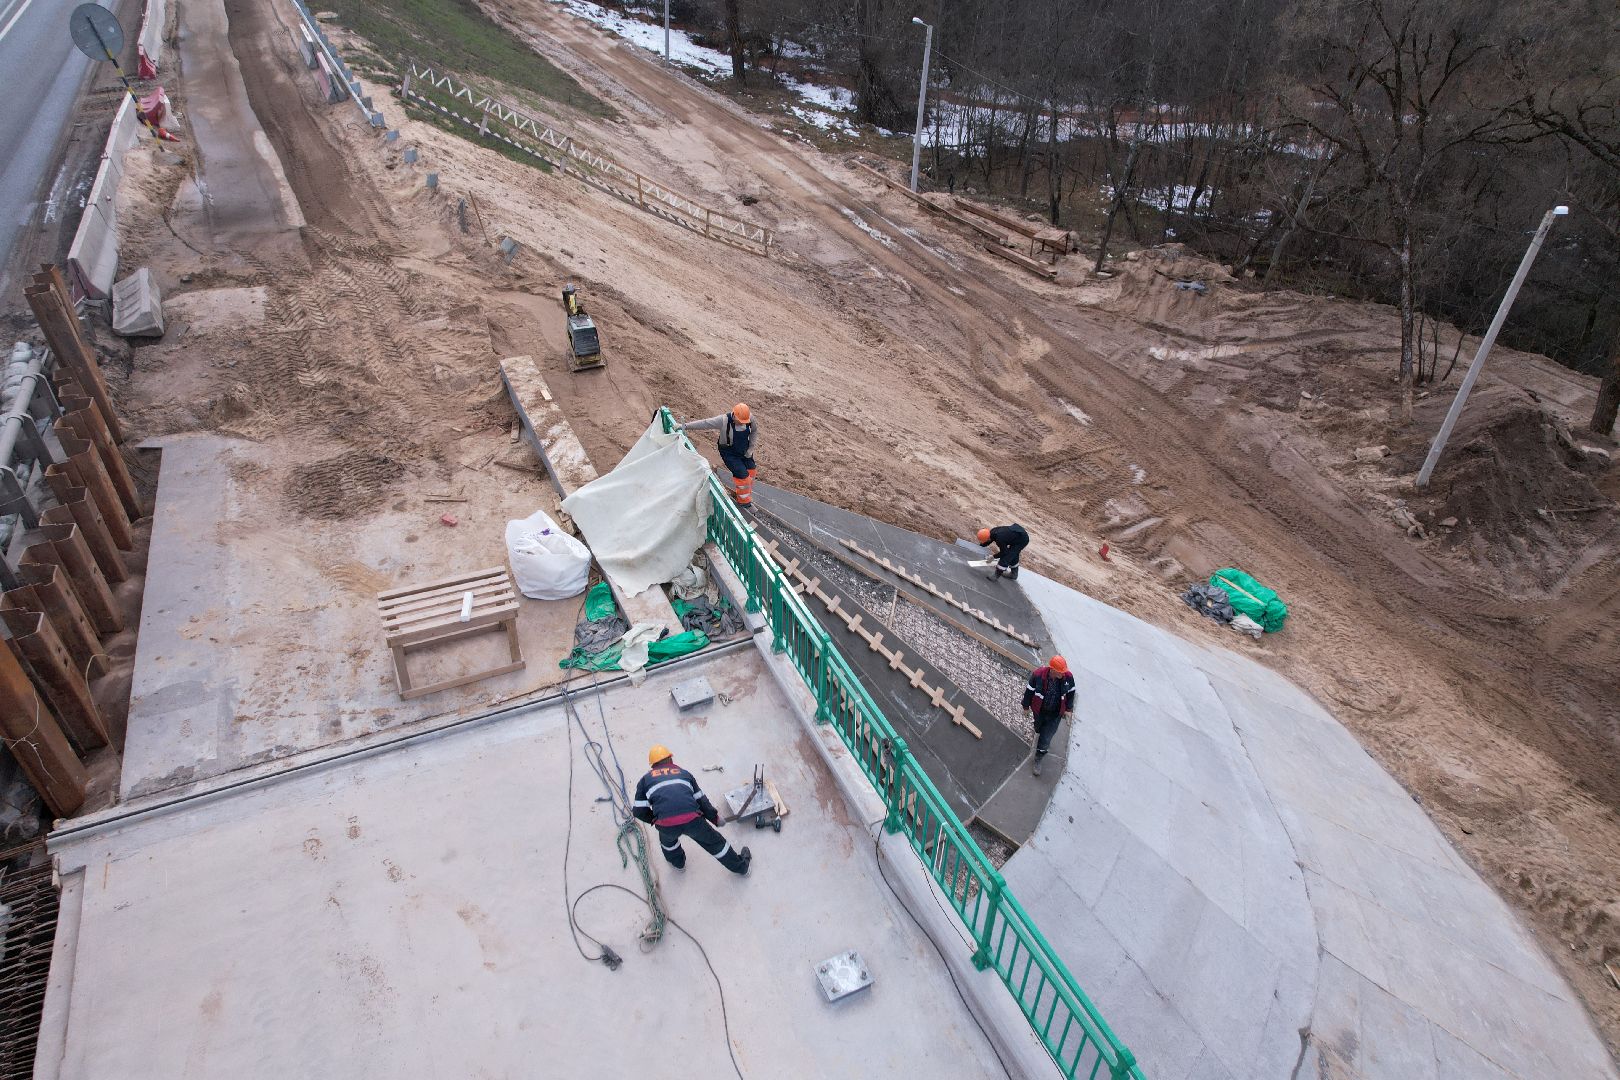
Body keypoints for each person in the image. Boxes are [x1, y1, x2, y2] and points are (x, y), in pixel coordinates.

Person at [633, 745, 752, 875]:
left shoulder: (645, 780)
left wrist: (656, 819)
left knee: (668, 843)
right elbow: (701, 801)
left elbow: (638, 811)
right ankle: (742, 868)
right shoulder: (685, 774)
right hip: (693, 822)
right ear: (671, 760)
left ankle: (679, 865)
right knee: (717, 844)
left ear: (653, 766)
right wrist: (715, 819)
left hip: (666, 825)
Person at [681, 403, 757, 506]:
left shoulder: (750, 419)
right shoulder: (723, 420)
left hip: (744, 450)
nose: (742, 423)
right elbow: (705, 423)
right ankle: (744, 503)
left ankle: (745, 493)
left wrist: (750, 450)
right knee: (742, 475)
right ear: (734, 415)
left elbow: (753, 433)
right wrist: (685, 426)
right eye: (740, 421)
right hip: (729, 452)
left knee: (751, 471)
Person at [1021, 655, 1075, 776]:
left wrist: (1068, 709)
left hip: (1055, 715)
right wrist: (1026, 707)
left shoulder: (1068, 677)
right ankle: (1040, 733)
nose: (1063, 673)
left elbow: (1071, 693)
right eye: (1060, 671)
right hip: (1039, 711)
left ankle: (1039, 757)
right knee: (1038, 728)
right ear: (1053, 669)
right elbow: (1029, 691)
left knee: (1046, 738)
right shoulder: (1038, 675)